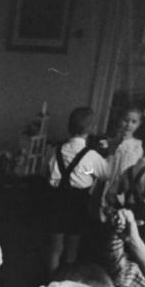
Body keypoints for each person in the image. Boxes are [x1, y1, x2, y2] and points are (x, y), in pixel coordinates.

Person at [47, 106, 109, 273]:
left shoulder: (56, 151)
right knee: (72, 245)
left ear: (69, 127)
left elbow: (48, 174)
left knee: (55, 246)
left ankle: (51, 279)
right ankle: (67, 277)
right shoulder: (92, 156)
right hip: (78, 201)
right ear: (92, 129)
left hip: (57, 200)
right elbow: (106, 174)